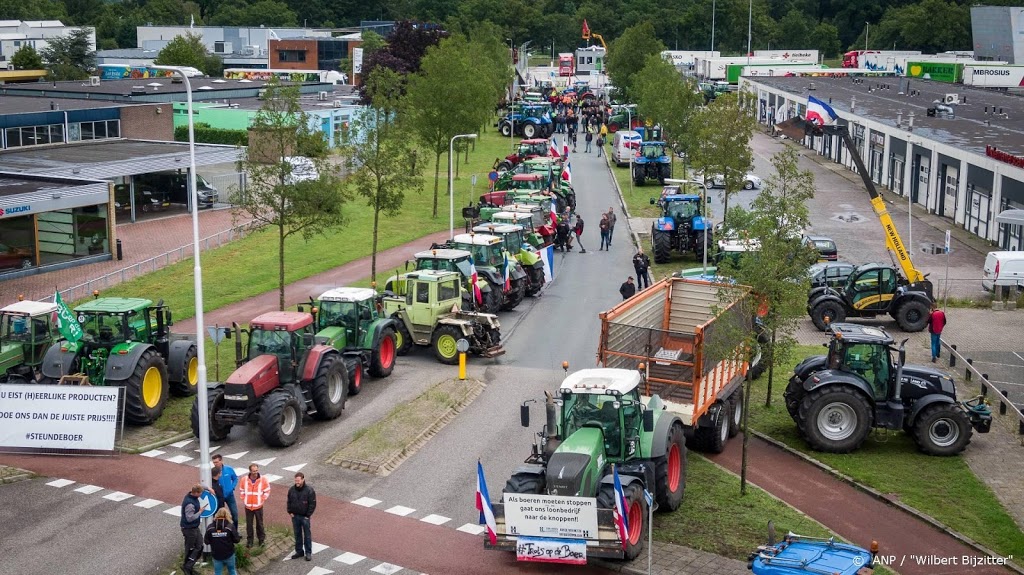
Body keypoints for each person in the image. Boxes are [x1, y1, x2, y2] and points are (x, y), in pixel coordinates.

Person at [240, 463, 271, 548]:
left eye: (256, 470)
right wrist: (244, 498)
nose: (255, 473)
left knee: (259, 524)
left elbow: (267, 490)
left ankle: (261, 540)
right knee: (249, 525)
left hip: (258, 506)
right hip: (248, 507)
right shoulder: (244, 480)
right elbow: (241, 489)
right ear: (250, 471)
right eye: (254, 471)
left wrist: (262, 499)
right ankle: (250, 541)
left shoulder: (263, 479)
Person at [180, 484, 209, 575]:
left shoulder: (191, 495)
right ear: (196, 493)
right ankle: (187, 567)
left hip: (194, 528)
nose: (201, 495)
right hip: (189, 529)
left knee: (199, 546)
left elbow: (201, 487)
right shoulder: (190, 504)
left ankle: (189, 566)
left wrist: (209, 489)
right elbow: (189, 518)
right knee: (190, 548)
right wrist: (200, 512)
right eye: (200, 493)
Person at [287, 472, 317, 561]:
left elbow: (313, 504)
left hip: (305, 517)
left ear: (303, 479)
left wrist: (307, 515)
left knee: (307, 535)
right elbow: (288, 501)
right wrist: (290, 512)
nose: (297, 482)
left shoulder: (309, 490)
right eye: (296, 480)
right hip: (295, 516)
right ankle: (299, 551)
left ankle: (308, 552)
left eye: (299, 480)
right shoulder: (291, 490)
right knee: (297, 534)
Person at [205, 507, 241, 575]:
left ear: (216, 515)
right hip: (229, 554)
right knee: (232, 570)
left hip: (216, 555)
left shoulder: (210, 527)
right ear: (228, 515)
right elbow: (237, 540)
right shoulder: (230, 527)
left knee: (217, 572)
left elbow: (206, 541)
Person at [212, 453, 239, 531]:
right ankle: (222, 532)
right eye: (214, 462)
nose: (215, 464)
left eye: (216, 462)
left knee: (235, 515)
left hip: (230, 496)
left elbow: (235, 478)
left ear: (221, 461)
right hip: (219, 497)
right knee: (220, 516)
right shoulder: (213, 472)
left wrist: (232, 487)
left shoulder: (229, 469)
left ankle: (235, 532)